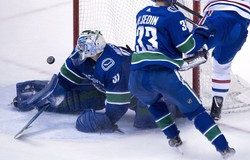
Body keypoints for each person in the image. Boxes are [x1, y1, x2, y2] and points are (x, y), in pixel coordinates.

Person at [128, 0, 235, 158]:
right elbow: (188, 47)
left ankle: (174, 138)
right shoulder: (174, 14)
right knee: (195, 111)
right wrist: (202, 31)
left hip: (136, 77)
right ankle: (224, 148)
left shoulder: (141, 13)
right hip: (162, 75)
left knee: (153, 103)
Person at [13, 30, 160, 133]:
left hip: (147, 94)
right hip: (107, 88)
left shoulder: (116, 65)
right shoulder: (82, 55)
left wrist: (104, 121)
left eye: (84, 49)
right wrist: (47, 95)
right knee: (73, 98)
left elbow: (115, 111)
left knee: (147, 123)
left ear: (96, 51)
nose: (79, 51)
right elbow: (63, 82)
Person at [175, 0, 250, 120]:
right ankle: (216, 108)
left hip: (220, 19)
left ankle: (197, 53)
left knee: (193, 40)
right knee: (222, 65)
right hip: (240, 30)